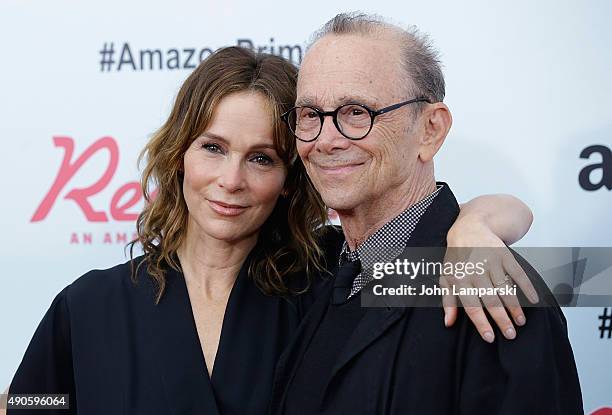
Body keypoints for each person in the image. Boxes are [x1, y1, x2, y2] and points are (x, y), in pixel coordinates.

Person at [6, 46, 534, 415]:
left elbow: (572, 272)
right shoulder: (90, 305)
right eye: (212, 148)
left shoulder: (330, 282)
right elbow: (43, 402)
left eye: (261, 159)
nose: (230, 181)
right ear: (180, 156)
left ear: (288, 179)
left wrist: (476, 222)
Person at [270, 13, 583, 415]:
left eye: (356, 112)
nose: (325, 140)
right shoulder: (312, 271)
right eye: (310, 115)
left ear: (430, 129)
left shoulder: (494, 291)